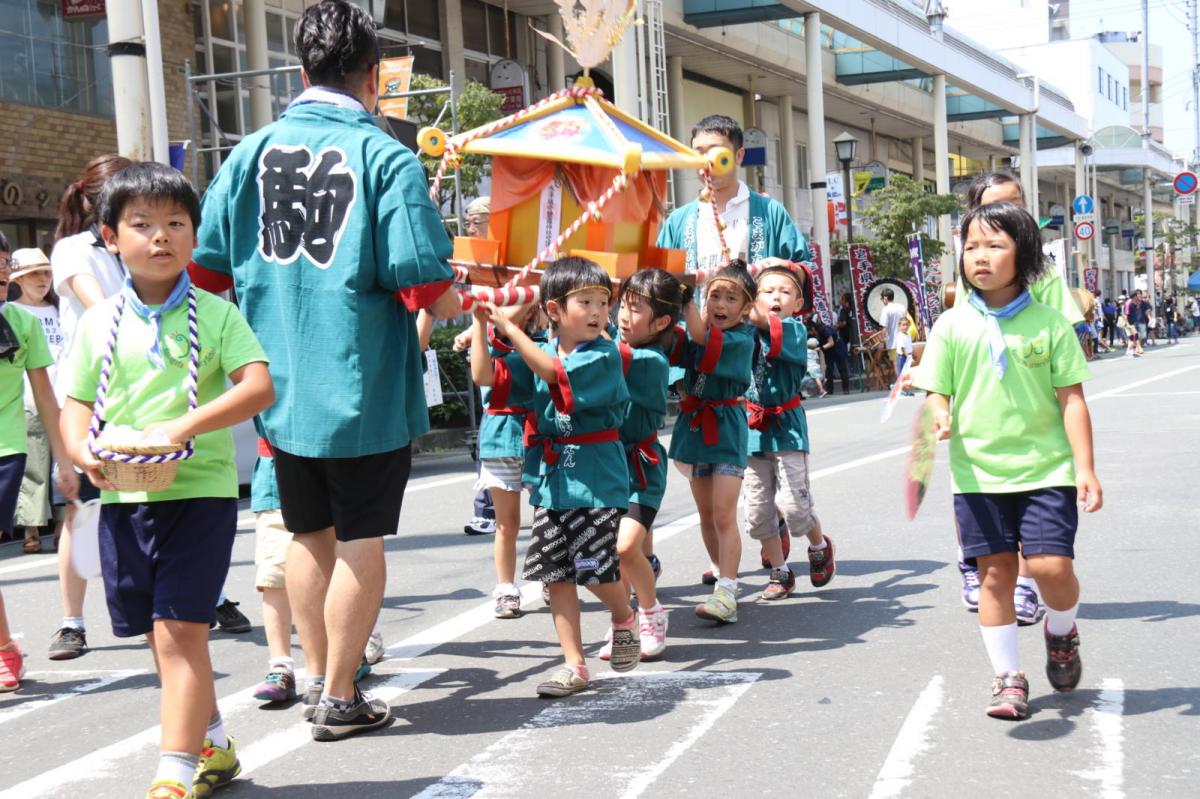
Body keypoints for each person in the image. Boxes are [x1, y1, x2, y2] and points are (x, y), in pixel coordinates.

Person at [191, 0, 461, 742]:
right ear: (373, 76)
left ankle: (318, 676)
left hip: (277, 388)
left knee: (307, 535)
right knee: (360, 540)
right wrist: (463, 291)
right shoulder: (386, 157)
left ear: (301, 69)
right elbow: (424, 282)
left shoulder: (247, 155)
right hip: (360, 385)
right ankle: (341, 695)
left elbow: (206, 272)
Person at [59, 161, 273, 798]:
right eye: (141, 224)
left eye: (176, 223)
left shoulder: (218, 313)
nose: (160, 236)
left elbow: (258, 387)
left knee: (180, 632)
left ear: (194, 235)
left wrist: (182, 426)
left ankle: (173, 774)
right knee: (162, 637)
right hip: (123, 495)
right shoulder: (98, 321)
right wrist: (81, 451)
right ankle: (214, 746)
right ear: (109, 237)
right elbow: (77, 405)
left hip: (199, 494)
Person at [913, 202, 1100, 720]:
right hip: (977, 473)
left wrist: (1085, 467)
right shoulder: (951, 324)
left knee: (1049, 566)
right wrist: (940, 413)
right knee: (994, 575)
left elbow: (1072, 399)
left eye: (995, 245)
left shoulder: (1051, 324)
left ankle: (1061, 630)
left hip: (1047, 469)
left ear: (1025, 255)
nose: (980, 256)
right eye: (971, 246)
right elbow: (936, 390)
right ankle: (1008, 677)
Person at [477, 256, 641, 696]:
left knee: (593, 569)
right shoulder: (541, 352)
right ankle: (574, 665)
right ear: (554, 310)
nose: (597, 312)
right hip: (553, 481)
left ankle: (624, 615)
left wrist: (508, 327)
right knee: (557, 575)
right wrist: (480, 323)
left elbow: (553, 374)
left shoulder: (604, 354)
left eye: (603, 302)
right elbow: (484, 374)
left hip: (597, 478)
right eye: (585, 302)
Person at [46, 152, 131, 660]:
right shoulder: (73, 249)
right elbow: (99, 306)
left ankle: (206, 597)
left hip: (143, 392)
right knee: (83, 511)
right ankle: (71, 623)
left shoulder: (134, 243)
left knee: (167, 497)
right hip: (89, 399)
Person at [669, 261, 757, 622]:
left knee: (723, 513)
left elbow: (702, 338)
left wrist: (686, 300)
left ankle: (728, 592)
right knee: (705, 515)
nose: (721, 304)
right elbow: (679, 348)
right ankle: (723, 579)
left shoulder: (741, 338)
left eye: (731, 298)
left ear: (746, 308)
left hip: (726, 428)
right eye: (715, 296)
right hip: (694, 426)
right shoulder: (696, 331)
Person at [744, 265, 836, 601]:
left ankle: (820, 545)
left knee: (794, 507)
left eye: (785, 291)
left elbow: (766, 326)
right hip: (752, 429)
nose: (776, 297)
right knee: (757, 513)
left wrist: (745, 304)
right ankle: (780, 572)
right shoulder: (744, 330)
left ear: (798, 303)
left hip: (787, 428)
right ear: (756, 298)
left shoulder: (794, 330)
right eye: (767, 291)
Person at [604, 268, 682, 660]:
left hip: (642, 467)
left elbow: (612, 357)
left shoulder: (651, 360)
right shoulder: (616, 346)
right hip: (606, 465)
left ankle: (650, 613)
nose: (622, 315)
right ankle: (624, 621)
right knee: (615, 553)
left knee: (624, 547)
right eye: (622, 305)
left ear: (662, 322)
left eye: (635, 309)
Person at [656, 114, 811, 275]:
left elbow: (805, 269)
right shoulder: (678, 221)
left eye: (716, 153)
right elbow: (659, 277)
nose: (707, 161)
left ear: (739, 156)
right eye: (699, 153)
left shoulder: (771, 212)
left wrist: (784, 270)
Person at [468, 303, 546, 619]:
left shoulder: (545, 342)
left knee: (547, 518)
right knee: (507, 523)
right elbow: (480, 375)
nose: (523, 312)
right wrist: (482, 321)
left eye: (529, 307)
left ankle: (551, 577)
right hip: (501, 438)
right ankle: (505, 588)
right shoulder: (488, 342)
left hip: (540, 435)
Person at [9, 249, 64, 554]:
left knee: (63, 465)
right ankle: (30, 531)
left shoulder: (59, 309)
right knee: (35, 468)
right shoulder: (12, 312)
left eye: (46, 273)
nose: (43, 279)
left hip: (64, 396)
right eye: (34, 274)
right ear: (18, 279)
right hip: (28, 399)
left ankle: (62, 528)